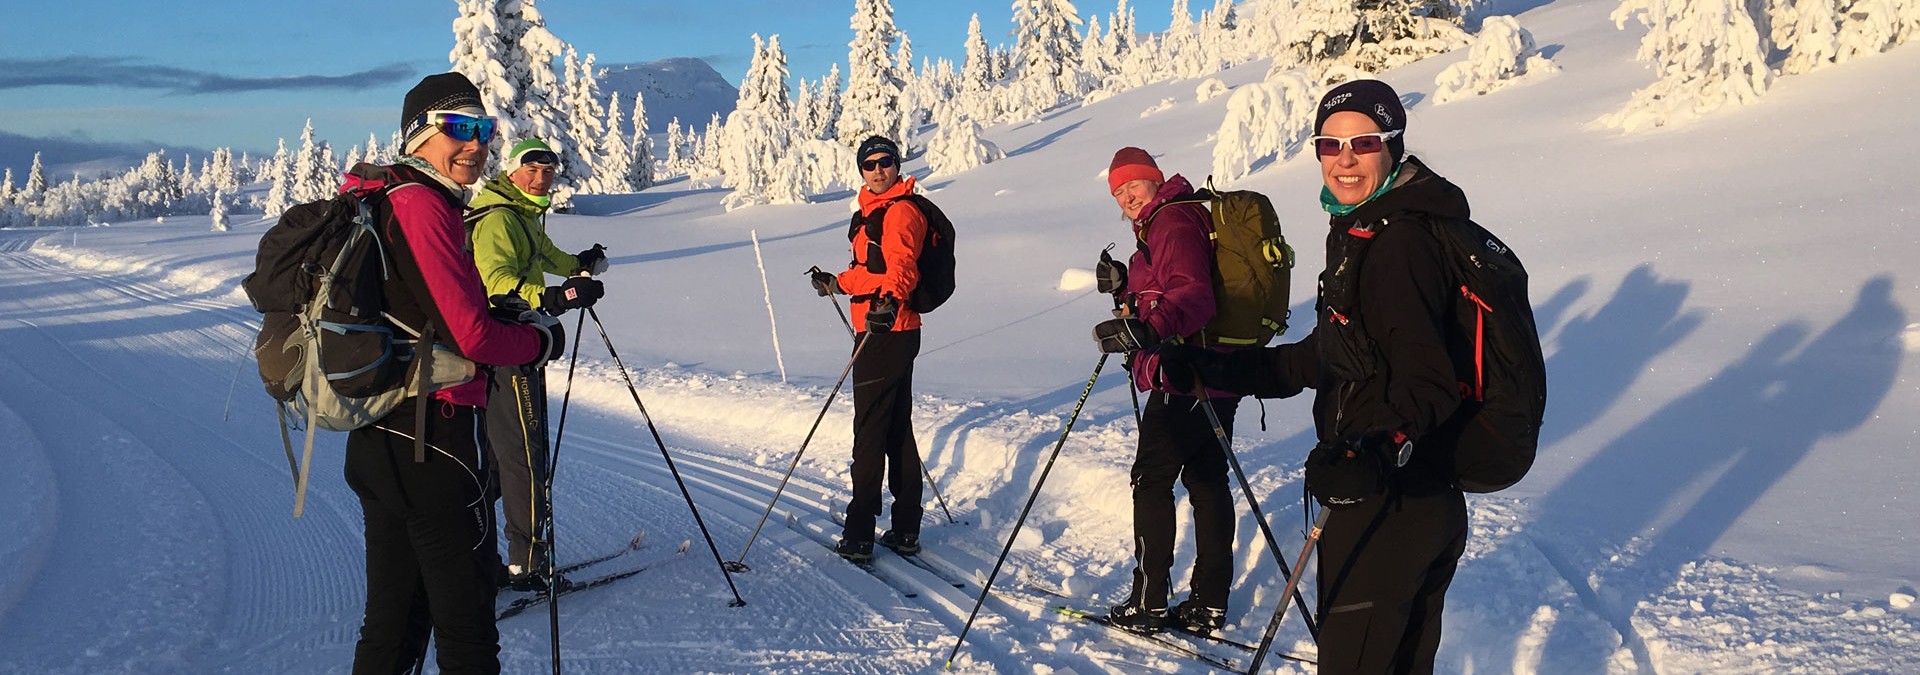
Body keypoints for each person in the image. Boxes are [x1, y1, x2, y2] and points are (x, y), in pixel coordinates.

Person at [1163, 79, 1473, 674]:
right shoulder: (1367, 231)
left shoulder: (1398, 244)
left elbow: (1429, 380)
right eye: (1329, 144)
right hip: (1408, 497)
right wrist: (1212, 366)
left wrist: (1378, 451)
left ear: (1394, 146)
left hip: (1387, 504)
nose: (1345, 158)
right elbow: (1323, 357)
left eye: (1363, 142)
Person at [341, 72, 566, 674]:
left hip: (384, 431)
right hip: (434, 444)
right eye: (459, 128)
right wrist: (536, 343)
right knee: (466, 626)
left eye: (485, 129)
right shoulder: (423, 205)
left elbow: (429, 309)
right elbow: (473, 338)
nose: (476, 144)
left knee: (394, 620)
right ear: (418, 135)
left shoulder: (390, 198)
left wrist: (498, 312)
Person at [1087, 147, 1242, 636]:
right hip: (1216, 371)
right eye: (1118, 191)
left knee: (1152, 481)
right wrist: (1123, 293)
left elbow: (1193, 296)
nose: (1127, 196)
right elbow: (1162, 293)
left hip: (1183, 374)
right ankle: (1208, 602)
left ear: (1155, 181)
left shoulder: (1172, 222)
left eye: (1134, 184)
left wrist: (1145, 333)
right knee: (1207, 483)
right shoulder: (1171, 220)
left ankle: (1150, 601)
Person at [467, 137, 606, 592]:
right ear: (512, 171)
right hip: (508, 345)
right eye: (532, 169)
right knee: (525, 457)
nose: (541, 178)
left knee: (493, 458)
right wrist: (555, 296)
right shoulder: (500, 220)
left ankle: (481, 558)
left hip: (497, 346)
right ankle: (526, 566)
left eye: (548, 171)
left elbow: (549, 258)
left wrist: (579, 266)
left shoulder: (520, 214)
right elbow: (497, 282)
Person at [809, 135, 929, 562]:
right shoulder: (871, 213)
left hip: (886, 330)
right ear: (861, 170)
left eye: (886, 162)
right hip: (886, 329)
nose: (878, 170)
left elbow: (901, 270)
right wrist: (837, 283)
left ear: (897, 166)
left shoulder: (900, 212)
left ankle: (860, 533)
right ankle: (906, 529)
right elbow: (869, 270)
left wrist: (890, 303)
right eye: (869, 164)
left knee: (871, 430)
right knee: (895, 427)